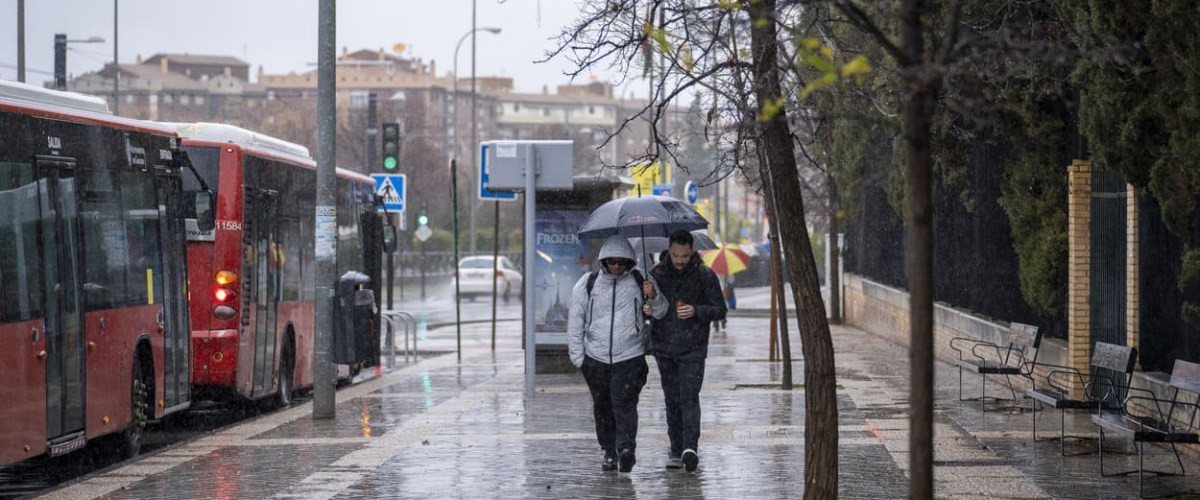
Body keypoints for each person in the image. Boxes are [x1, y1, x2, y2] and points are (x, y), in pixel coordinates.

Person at [567, 235, 668, 473]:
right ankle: (609, 451)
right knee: (602, 406)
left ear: (629, 262)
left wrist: (652, 297)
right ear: (603, 261)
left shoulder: (641, 279)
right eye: (612, 262)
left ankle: (625, 448)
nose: (617, 267)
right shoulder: (587, 283)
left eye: (622, 262)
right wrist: (579, 359)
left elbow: (662, 311)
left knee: (624, 404)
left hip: (630, 357)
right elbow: (575, 321)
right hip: (596, 357)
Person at [650, 230, 727, 472]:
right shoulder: (657, 274)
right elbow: (648, 309)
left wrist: (697, 311)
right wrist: (648, 301)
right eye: (675, 255)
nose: (679, 260)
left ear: (692, 251)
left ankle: (690, 448)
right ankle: (675, 449)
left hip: (693, 347)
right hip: (664, 348)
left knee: (689, 398)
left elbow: (720, 310)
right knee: (671, 400)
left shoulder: (704, 275)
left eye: (684, 255)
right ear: (669, 251)